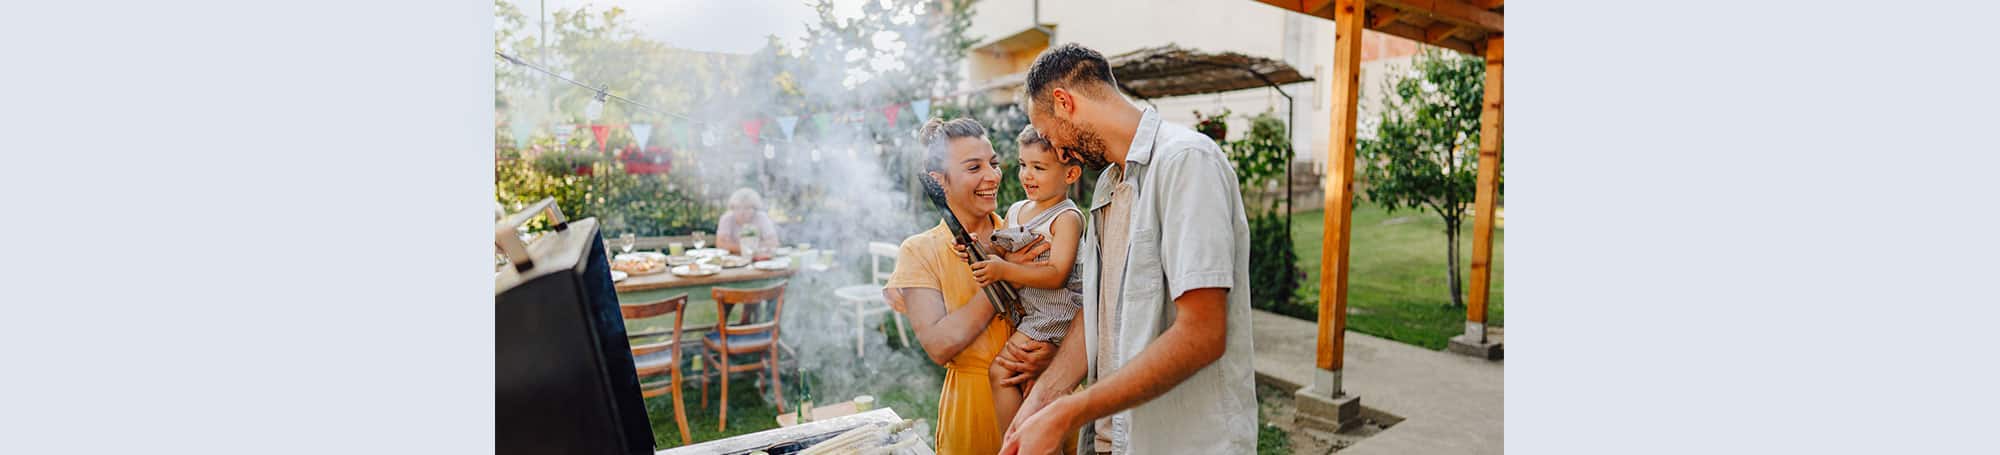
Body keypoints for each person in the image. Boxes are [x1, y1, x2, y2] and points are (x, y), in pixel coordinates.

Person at [1000, 43, 1258, 455]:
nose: (1059, 152)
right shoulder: (1108, 185)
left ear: (1064, 102)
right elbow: (1098, 310)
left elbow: (1202, 333)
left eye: (1049, 136)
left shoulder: (1185, 162)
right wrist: (1043, 399)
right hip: (1114, 442)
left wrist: (1070, 412)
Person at [882, 118, 1060, 454]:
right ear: (939, 180)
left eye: (993, 163)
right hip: (975, 408)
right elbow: (939, 345)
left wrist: (1053, 352)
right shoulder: (920, 251)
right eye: (974, 167)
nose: (992, 176)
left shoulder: (1026, 234)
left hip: (1044, 395)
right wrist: (1005, 277)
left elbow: (1067, 305)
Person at [970, 125, 1085, 434]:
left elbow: (1057, 274)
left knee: (1002, 373)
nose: (1027, 176)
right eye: (1023, 165)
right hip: (1029, 312)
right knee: (1030, 387)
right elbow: (1000, 250)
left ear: (1071, 174)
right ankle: (1034, 441)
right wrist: (976, 248)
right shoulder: (1017, 209)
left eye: (1039, 167)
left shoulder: (1066, 218)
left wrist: (1003, 270)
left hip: (1054, 313)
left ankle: (1014, 444)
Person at [716, 188, 781, 253]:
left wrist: (742, 248)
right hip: (733, 257)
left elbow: (773, 242)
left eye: (747, 208)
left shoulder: (761, 217)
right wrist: (750, 248)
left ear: (755, 208)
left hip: (758, 257)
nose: (742, 212)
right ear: (732, 208)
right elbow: (720, 244)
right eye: (737, 207)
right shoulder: (727, 218)